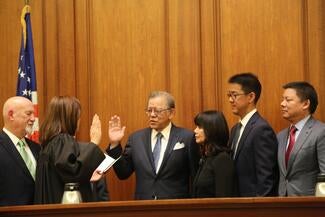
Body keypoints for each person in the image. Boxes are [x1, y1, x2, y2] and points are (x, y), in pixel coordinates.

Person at [106, 91, 200, 200]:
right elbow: (123, 173)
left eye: (158, 111)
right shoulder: (136, 139)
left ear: (171, 113)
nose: (152, 115)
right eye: (149, 110)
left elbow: (196, 177)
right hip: (143, 207)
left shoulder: (187, 138)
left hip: (175, 208)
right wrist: (115, 144)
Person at [34, 96, 105, 204]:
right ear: (69, 118)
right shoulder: (61, 140)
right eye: (78, 116)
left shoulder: (49, 144)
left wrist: (89, 174)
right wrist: (94, 143)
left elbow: (63, 175)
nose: (79, 121)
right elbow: (73, 174)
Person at [227, 72, 278, 196]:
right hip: (237, 202)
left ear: (251, 97)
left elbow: (266, 176)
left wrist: (259, 208)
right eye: (229, 95)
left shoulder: (261, 129)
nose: (230, 100)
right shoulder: (235, 129)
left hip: (253, 205)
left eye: (234, 95)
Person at [278, 81, 325, 196]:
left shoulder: (320, 132)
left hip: (309, 206)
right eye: (283, 99)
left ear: (305, 104)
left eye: (288, 100)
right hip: (282, 204)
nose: (282, 104)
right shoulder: (280, 136)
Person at [0, 96, 40, 206]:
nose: (33, 118)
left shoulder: (37, 148)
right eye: (28, 114)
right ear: (11, 115)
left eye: (33, 114)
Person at [192, 110, 237, 198]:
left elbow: (224, 198)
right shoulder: (206, 158)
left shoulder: (222, 159)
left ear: (212, 129)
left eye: (200, 127)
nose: (195, 131)